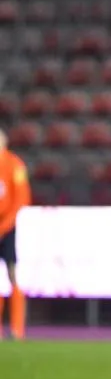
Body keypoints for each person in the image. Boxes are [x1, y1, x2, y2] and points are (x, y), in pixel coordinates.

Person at [0, 129, 31, 340]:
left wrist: (5, 225)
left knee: (12, 274)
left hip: (7, 228)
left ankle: (17, 328)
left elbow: (22, 198)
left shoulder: (14, 164)